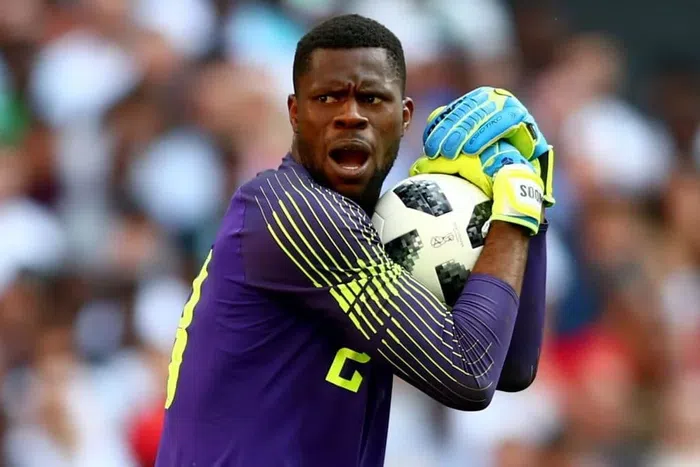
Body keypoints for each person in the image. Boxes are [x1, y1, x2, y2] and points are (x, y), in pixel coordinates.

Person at [156, 14, 554, 467]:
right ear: (295, 113)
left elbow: (511, 367)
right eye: (327, 98)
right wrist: (514, 211)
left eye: (371, 98)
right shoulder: (292, 209)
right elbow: (469, 372)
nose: (350, 116)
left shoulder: (388, 232)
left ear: (404, 117)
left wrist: (534, 211)